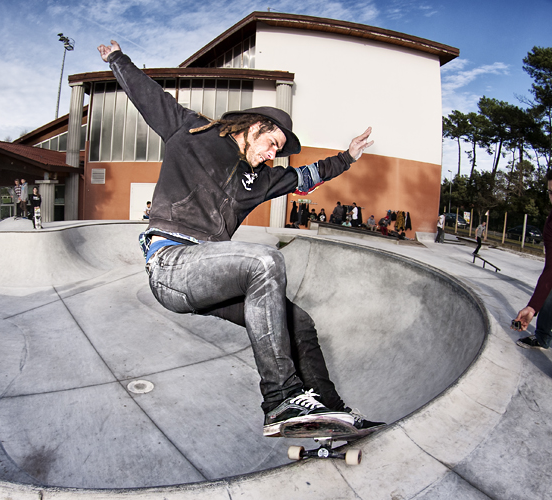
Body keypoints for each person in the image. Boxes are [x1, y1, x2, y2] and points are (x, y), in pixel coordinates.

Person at [98, 40, 382, 435]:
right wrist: (117, 60)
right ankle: (281, 398)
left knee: (298, 322)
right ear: (253, 128)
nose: (272, 155)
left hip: (210, 274)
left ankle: (328, 411)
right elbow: (149, 97)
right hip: (171, 264)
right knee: (264, 261)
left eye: (278, 152)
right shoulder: (193, 131)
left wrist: (347, 157)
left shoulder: (263, 178)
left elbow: (306, 176)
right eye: (272, 144)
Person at [512, 171, 552, 350]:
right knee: (548, 294)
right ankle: (543, 337)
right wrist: (533, 307)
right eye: (551, 192)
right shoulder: (551, 223)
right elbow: (551, 268)